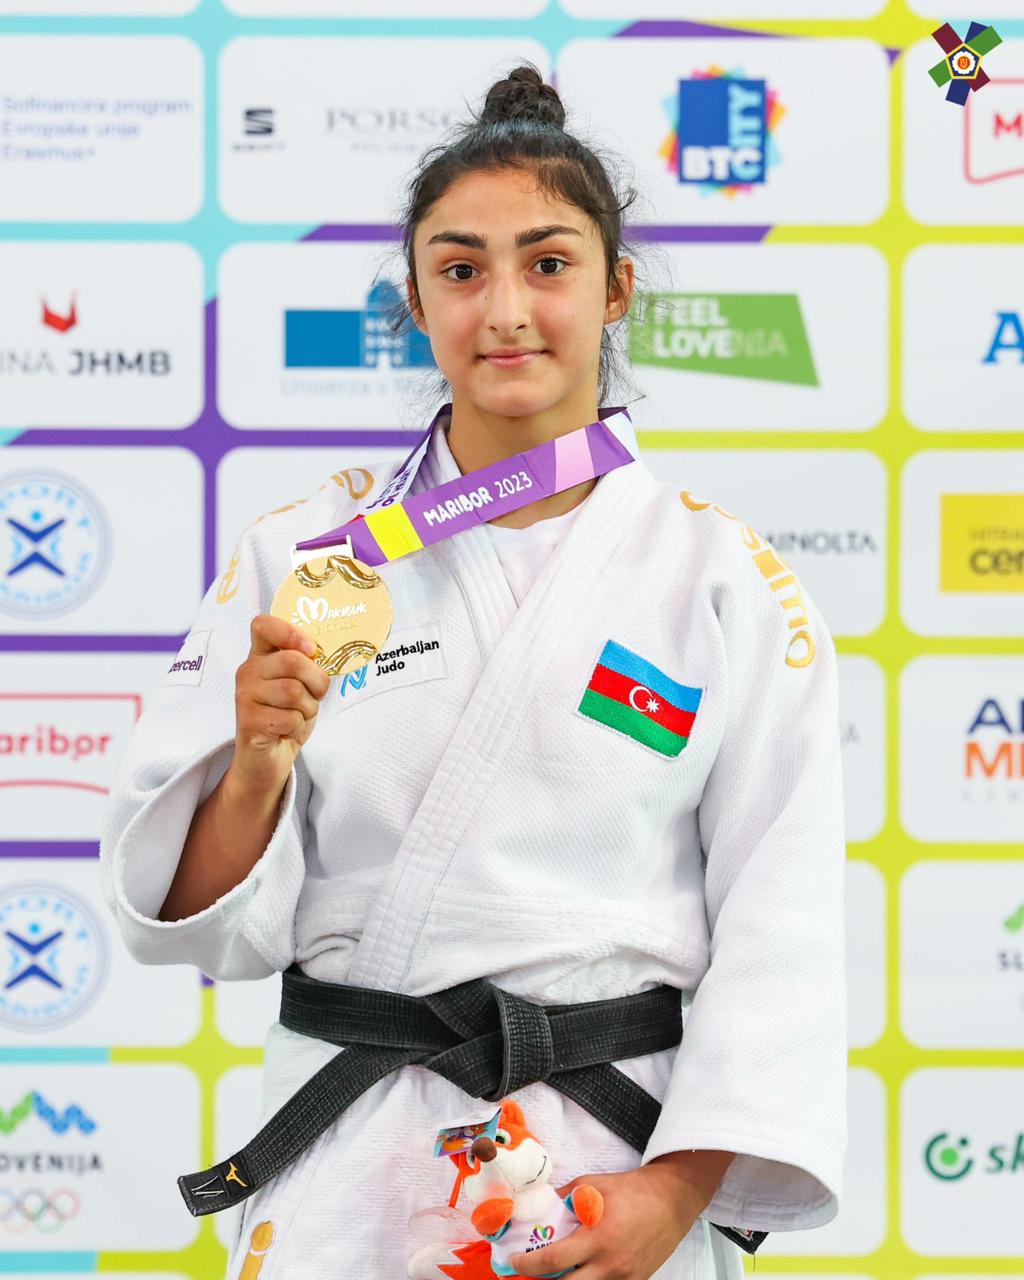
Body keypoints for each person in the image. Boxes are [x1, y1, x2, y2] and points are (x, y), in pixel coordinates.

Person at [100, 64, 847, 1280]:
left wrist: (674, 1194)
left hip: (610, 1164)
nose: (504, 309)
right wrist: (255, 767)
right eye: (459, 270)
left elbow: (784, 915)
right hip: (352, 1153)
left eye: (547, 264)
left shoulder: (721, 576)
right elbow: (190, 917)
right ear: (415, 300)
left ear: (615, 288)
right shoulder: (310, 554)